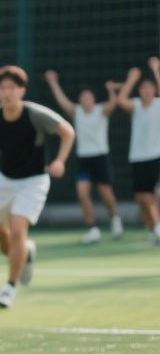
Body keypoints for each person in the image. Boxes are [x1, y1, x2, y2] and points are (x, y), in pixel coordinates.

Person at [0, 66, 74, 308]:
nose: (7, 93)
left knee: (17, 229)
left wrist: (59, 161)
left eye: (12, 88)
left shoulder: (35, 114)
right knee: (1, 236)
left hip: (34, 181)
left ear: (22, 91)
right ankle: (25, 253)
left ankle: (9, 287)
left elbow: (67, 131)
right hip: (4, 181)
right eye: (2, 88)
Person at [43, 70, 122, 244]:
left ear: (94, 99)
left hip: (100, 157)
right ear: (80, 100)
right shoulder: (77, 111)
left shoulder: (102, 110)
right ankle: (92, 229)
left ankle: (115, 219)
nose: (86, 100)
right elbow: (62, 101)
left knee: (106, 194)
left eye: (89, 97)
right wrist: (53, 82)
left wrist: (111, 91)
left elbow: (113, 104)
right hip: (84, 160)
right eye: (83, 98)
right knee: (82, 193)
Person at [115, 59, 160, 244]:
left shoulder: (158, 104)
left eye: (150, 87)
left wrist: (156, 70)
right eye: (143, 88)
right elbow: (120, 100)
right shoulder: (135, 105)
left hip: (156, 156)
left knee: (152, 195)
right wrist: (131, 80)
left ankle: (158, 228)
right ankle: (153, 229)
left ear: (154, 90)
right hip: (138, 157)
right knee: (141, 198)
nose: (147, 91)